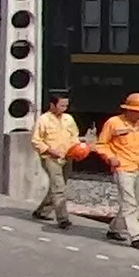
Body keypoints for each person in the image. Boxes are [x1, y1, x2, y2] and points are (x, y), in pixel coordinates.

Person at [94, 92, 139, 249]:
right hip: (122, 168)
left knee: (133, 202)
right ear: (128, 110)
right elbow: (101, 144)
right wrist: (110, 158)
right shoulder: (113, 123)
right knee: (129, 202)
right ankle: (136, 236)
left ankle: (114, 229)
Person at [28, 94, 79, 229]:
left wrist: (78, 148)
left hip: (67, 157)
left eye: (66, 105)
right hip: (50, 158)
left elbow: (74, 136)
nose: (64, 108)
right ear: (52, 105)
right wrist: (51, 151)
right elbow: (36, 140)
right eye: (62, 105)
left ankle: (42, 211)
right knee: (59, 188)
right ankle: (63, 218)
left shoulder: (69, 119)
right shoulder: (43, 120)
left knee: (58, 186)